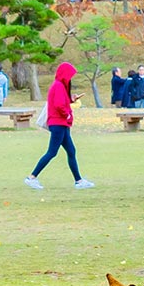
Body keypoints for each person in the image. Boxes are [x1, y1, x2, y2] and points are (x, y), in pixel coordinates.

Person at [25, 61, 93, 190]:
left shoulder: (59, 86)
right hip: (58, 123)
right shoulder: (59, 86)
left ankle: (78, 180)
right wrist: (67, 114)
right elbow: (59, 105)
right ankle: (32, 177)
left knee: (71, 151)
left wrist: (71, 100)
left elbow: (61, 102)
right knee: (52, 152)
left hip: (61, 123)